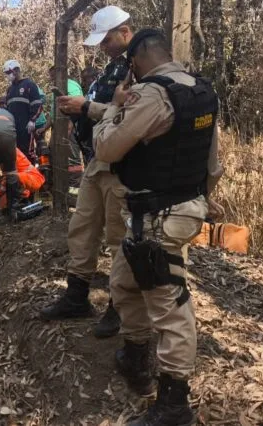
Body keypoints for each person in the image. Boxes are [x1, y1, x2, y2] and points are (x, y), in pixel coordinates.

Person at [94, 29, 222, 426]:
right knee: (123, 281)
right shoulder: (201, 91)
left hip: (159, 217)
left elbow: (107, 148)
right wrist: (204, 198)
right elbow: (212, 163)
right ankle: (136, 356)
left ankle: (173, 403)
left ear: (134, 64)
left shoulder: (152, 95)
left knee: (169, 306)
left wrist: (115, 107)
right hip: (166, 211)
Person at [38, 5, 132, 339]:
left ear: (124, 31)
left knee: (120, 237)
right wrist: (78, 112)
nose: (103, 47)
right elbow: (104, 112)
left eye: (106, 40)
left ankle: (119, 307)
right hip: (97, 159)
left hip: (123, 164)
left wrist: (87, 108)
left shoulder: (141, 68)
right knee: (83, 227)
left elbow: (136, 115)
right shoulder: (110, 70)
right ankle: (76, 296)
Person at [2, 59, 42, 162]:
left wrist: (32, 120)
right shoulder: (9, 90)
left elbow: (38, 105)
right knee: (15, 154)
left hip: (26, 127)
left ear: (16, 70)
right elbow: (7, 109)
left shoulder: (29, 85)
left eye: (8, 72)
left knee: (27, 154)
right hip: (13, 129)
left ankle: (30, 176)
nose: (7, 75)